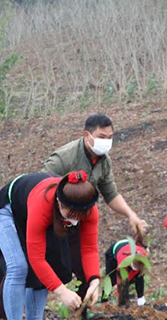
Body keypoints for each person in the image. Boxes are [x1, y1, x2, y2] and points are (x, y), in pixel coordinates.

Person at [0, 171, 100, 320]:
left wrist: (94, 280)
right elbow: (36, 258)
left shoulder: (89, 209)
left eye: (81, 215)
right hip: (9, 210)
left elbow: (89, 249)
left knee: (52, 260)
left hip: (34, 211)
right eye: (72, 213)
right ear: (59, 202)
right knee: (18, 266)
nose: (76, 219)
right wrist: (62, 292)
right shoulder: (44, 203)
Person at [43, 114, 149, 298]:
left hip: (79, 220)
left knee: (83, 266)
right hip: (53, 220)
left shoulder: (104, 161)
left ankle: (83, 310)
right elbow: (42, 189)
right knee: (34, 266)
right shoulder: (64, 158)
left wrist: (131, 215)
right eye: (101, 137)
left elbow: (111, 194)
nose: (106, 142)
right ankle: (0, 314)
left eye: (109, 138)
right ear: (87, 135)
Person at [103, 239, 148, 306]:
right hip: (113, 254)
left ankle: (140, 299)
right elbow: (121, 280)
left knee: (139, 277)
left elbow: (140, 274)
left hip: (129, 247)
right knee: (111, 279)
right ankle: (104, 300)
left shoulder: (143, 254)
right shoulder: (122, 259)